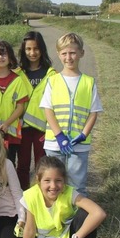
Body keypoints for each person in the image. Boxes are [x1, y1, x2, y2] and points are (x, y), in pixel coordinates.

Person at [0, 156, 106, 238]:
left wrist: (78, 237)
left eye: (58, 180)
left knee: (86, 215)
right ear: (38, 180)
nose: (53, 185)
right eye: (47, 180)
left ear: (64, 180)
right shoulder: (31, 195)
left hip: (73, 235)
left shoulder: (69, 192)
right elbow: (30, 229)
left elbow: (99, 213)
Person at [40, 33, 102, 196]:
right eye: (64, 53)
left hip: (78, 145)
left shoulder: (89, 82)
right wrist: (59, 136)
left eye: (73, 52)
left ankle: (76, 219)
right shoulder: (52, 81)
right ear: (59, 54)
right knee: (54, 184)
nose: (69, 57)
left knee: (77, 185)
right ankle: (54, 217)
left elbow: (93, 113)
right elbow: (48, 110)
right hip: (55, 143)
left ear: (81, 53)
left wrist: (83, 135)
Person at [16, 31, 56, 190]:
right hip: (22, 128)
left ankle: (42, 196)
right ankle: (23, 198)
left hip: (43, 128)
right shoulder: (18, 73)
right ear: (23, 50)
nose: (32, 53)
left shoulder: (51, 74)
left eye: (36, 49)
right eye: (28, 49)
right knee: (23, 165)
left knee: (42, 164)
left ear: (42, 50)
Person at [0, 40, 29, 165]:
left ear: (10, 57)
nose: (0, 57)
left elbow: (20, 107)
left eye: (4, 54)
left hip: (10, 133)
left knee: (8, 163)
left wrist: (7, 124)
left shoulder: (17, 80)